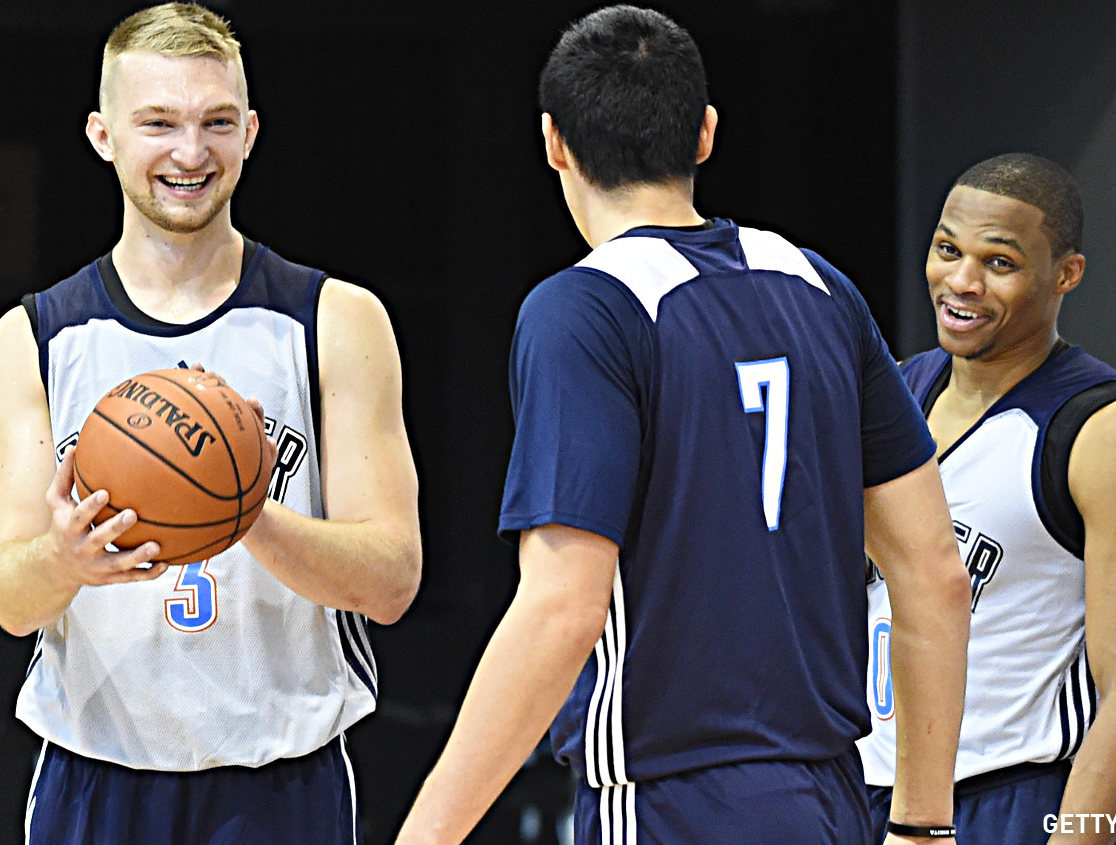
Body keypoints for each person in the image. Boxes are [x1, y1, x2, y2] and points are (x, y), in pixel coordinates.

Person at [395, 6, 971, 844]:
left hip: (672, 802)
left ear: (554, 141)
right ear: (704, 133)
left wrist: (427, 833)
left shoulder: (584, 308)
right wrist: (924, 825)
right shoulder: (820, 285)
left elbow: (563, 607)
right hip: (833, 799)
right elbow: (935, 575)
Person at [0, 4, 421, 842]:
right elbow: (8, 593)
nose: (191, 153)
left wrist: (245, 509)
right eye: (159, 124)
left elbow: (393, 579)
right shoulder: (35, 338)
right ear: (103, 135)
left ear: (251, 133)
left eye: (217, 122)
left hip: (281, 779)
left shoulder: (333, 319)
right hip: (95, 777)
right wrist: (68, 558)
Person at [858, 153, 1116, 845]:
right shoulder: (891, 391)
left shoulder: (1110, 431)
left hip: (1011, 798)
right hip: (871, 796)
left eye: (999, 263)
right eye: (948, 249)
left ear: (1066, 274)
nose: (962, 282)